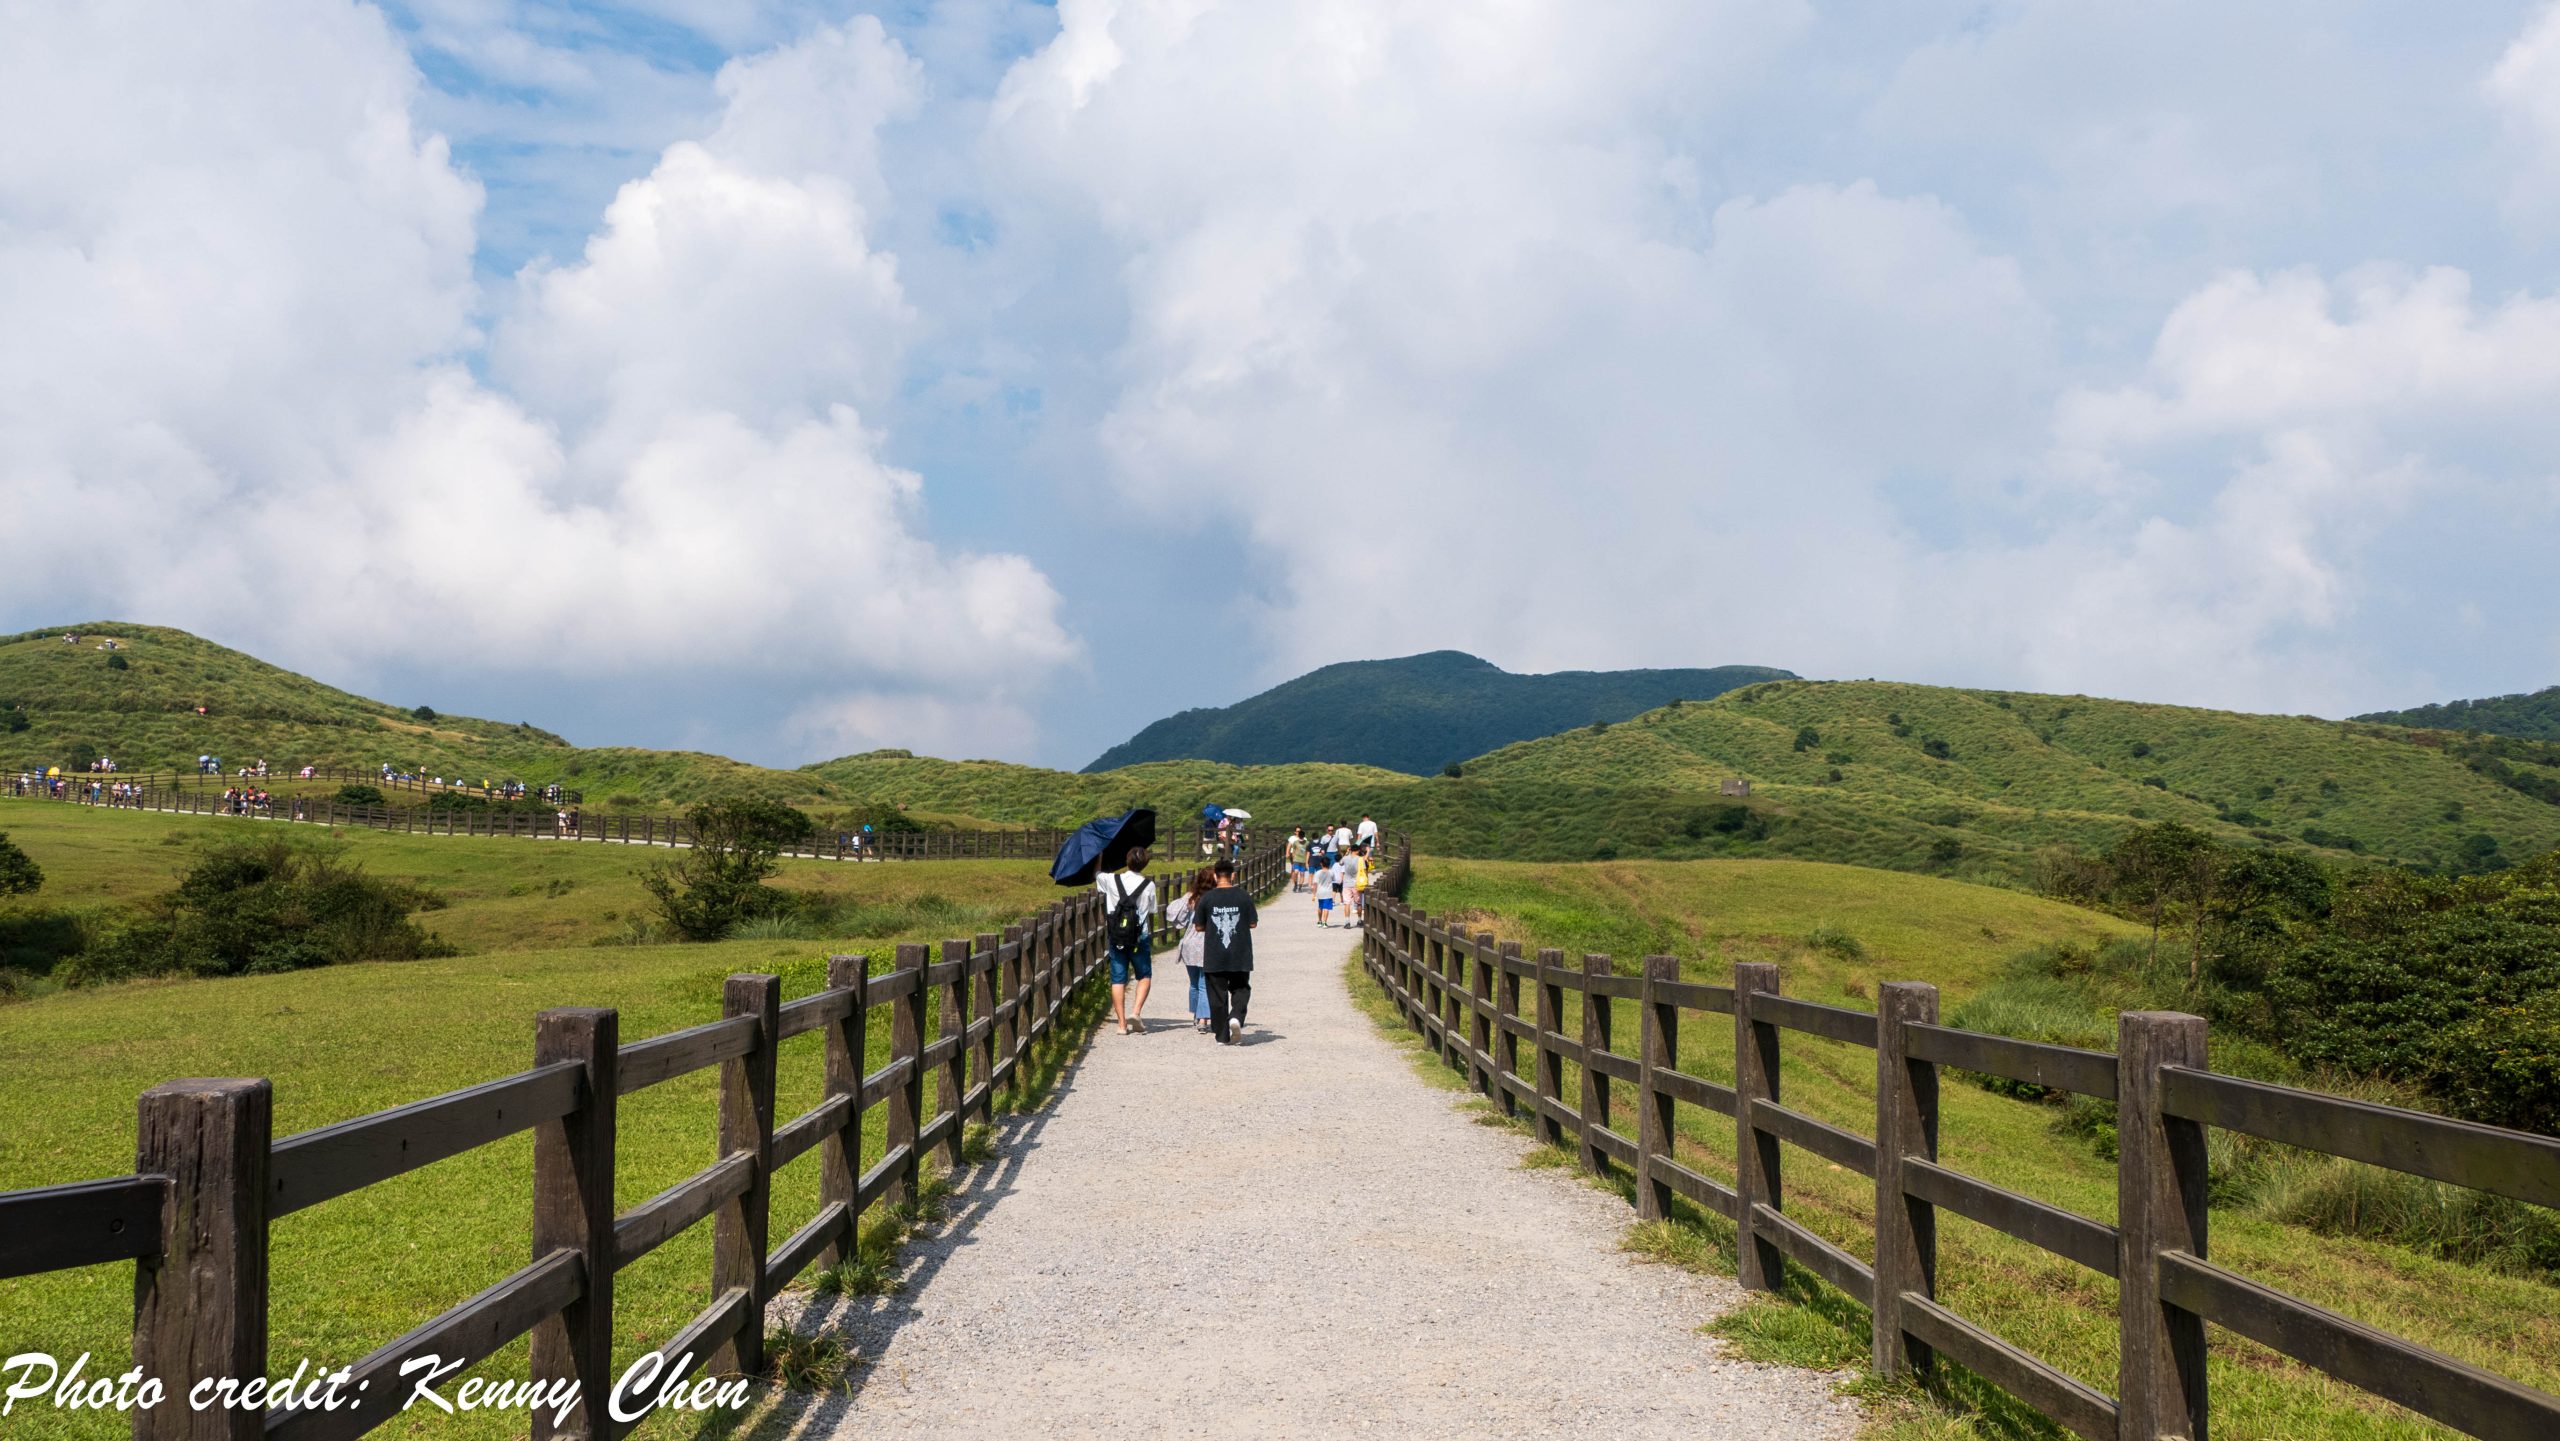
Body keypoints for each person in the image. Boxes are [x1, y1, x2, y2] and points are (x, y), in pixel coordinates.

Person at [1195, 858, 1258, 1043]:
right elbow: (1253, 923)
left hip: (1215, 953)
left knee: (1216, 995)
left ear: (1215, 876)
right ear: (1233, 875)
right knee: (1241, 988)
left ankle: (1222, 1035)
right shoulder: (1243, 896)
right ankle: (1236, 1017)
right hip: (1240, 952)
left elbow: (1198, 926)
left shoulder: (1206, 898)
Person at [1098, 846, 1157, 1035]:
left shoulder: (1111, 879)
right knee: (1144, 975)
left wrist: (1100, 855)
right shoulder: (1148, 885)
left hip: (1117, 937)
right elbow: (1153, 909)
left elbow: (1097, 874)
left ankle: (1122, 1024)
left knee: (1118, 979)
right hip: (1139, 937)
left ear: (1127, 860)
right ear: (1145, 863)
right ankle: (1136, 1012)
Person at [1166, 867, 1215, 1032]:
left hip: (1188, 944)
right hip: (1206, 944)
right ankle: (1203, 1020)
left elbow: (1173, 914)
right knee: (1204, 983)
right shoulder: (1215, 898)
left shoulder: (1191, 897)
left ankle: (1196, 1015)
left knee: (1194, 983)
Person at [1312, 851, 1338, 927]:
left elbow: (1315, 884)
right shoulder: (1331, 872)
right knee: (1326, 908)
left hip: (1320, 892)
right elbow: (1334, 880)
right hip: (1328, 893)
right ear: (1329, 864)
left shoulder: (1318, 872)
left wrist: (1314, 894)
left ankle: (1319, 921)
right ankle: (1325, 923)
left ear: (1321, 864)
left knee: (1320, 907)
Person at [1285, 827, 1309, 892]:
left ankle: (1300, 887)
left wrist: (1307, 861)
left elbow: (1307, 852)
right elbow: (1292, 849)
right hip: (1296, 859)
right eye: (1297, 831)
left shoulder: (1307, 842)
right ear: (1295, 832)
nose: (1298, 833)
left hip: (1303, 860)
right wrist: (1289, 855)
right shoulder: (1294, 840)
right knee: (1295, 872)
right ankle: (1295, 884)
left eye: (1299, 831)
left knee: (1302, 873)